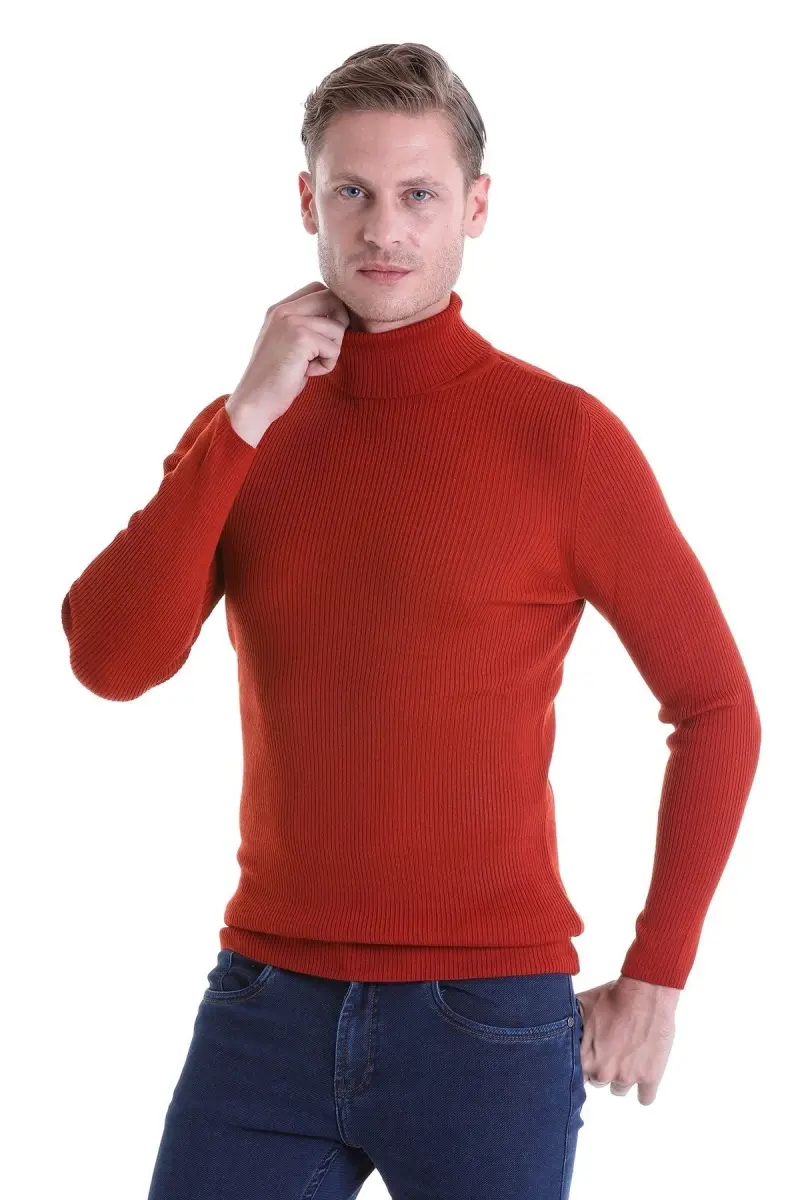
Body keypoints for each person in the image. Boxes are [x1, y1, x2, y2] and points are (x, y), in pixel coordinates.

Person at [61, 41, 761, 1200]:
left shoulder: (561, 439)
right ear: (307, 202)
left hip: (485, 1021)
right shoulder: (247, 430)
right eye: (353, 191)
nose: (383, 228)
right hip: (264, 1005)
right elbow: (109, 658)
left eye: (418, 194)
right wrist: (243, 417)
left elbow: (716, 706)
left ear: (475, 207)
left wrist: (657, 973)